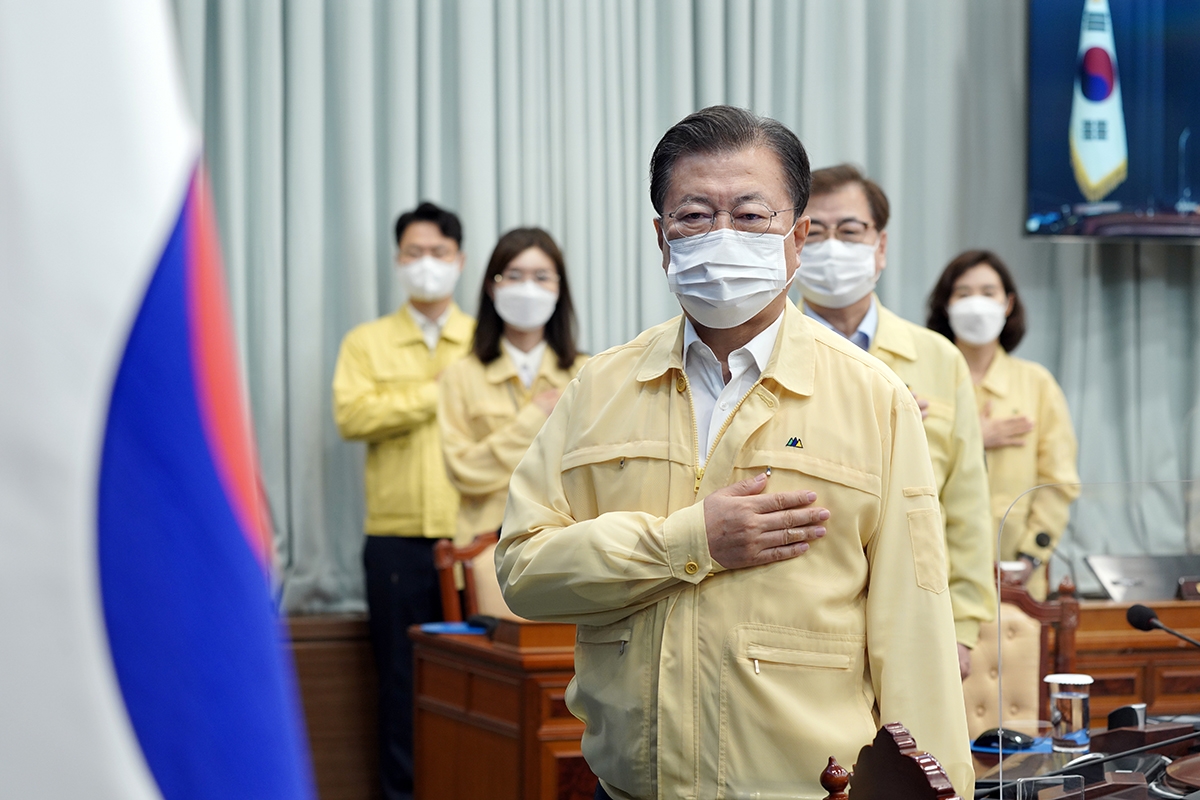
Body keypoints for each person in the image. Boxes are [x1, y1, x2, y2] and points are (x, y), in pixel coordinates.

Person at [495, 106, 973, 800]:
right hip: (630, 788)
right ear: (662, 239)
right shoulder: (599, 387)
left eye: (750, 216)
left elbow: (914, 635)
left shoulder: (874, 397)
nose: (720, 236)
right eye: (694, 216)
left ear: (797, 237)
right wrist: (689, 541)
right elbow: (523, 571)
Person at [796, 164, 995, 680]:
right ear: (793, 243)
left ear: (880, 246)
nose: (831, 245)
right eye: (814, 231)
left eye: (850, 230)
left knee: (919, 761)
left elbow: (967, 505)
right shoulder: (763, 354)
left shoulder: (937, 358)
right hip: (802, 623)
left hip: (919, 617)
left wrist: (962, 626)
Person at [332, 201, 474, 800]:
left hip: (475, 538)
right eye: (414, 253)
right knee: (397, 683)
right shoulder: (368, 341)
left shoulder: (484, 340)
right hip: (396, 539)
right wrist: (436, 392)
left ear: (460, 261)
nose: (426, 265)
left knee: (477, 682)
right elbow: (352, 414)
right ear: (397, 260)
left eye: (438, 254)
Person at [927, 250, 1080, 599]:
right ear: (945, 305)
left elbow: (1058, 481)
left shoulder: (1037, 384)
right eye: (963, 294)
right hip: (934, 572)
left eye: (988, 292)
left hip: (1015, 576)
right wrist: (972, 440)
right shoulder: (924, 379)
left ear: (1008, 303)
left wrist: (1030, 557)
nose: (976, 304)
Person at [438, 227, 587, 546]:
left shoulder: (588, 371)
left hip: (566, 545)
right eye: (514, 276)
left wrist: (495, 458)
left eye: (542, 276)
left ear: (559, 288)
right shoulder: (460, 376)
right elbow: (464, 471)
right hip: (482, 548)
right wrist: (537, 416)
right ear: (492, 287)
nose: (528, 288)